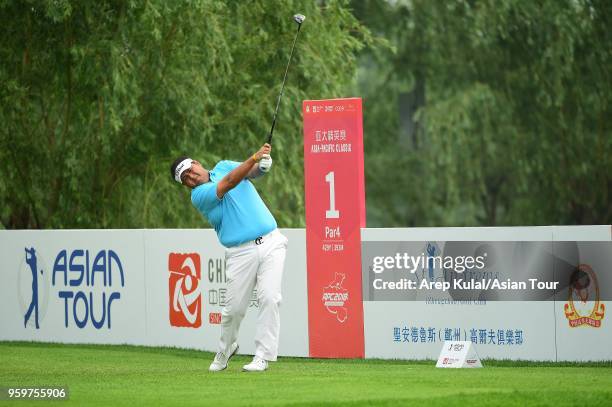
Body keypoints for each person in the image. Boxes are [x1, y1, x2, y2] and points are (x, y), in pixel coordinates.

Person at [170, 143, 287, 372]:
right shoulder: (199, 196)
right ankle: (226, 348)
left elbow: (249, 174)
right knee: (233, 310)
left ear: (197, 163)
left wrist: (262, 166)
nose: (191, 178)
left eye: (190, 171)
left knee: (270, 298)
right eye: (185, 179)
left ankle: (262, 356)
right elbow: (230, 181)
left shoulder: (224, 165)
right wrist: (253, 157)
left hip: (272, 241)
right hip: (240, 252)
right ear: (186, 185)